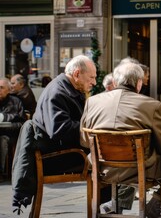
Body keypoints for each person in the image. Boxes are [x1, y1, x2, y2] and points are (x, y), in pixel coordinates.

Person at [80, 62, 161, 217]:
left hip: (103, 169)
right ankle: (157, 201)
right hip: (141, 169)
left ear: (115, 82)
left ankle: (114, 205)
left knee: (134, 160)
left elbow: (84, 141)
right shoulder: (152, 105)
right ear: (138, 83)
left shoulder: (92, 102)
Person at [12, 55, 97, 211]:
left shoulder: (67, 88)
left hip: (60, 151)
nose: (94, 82)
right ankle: (104, 209)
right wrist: (89, 128)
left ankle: (104, 209)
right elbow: (60, 130)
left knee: (105, 157)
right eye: (91, 77)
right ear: (77, 74)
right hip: (56, 157)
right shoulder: (58, 92)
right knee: (104, 163)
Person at [0, 78, 26, 182]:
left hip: (10, 134)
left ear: (9, 90)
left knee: (2, 140)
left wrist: (6, 122)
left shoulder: (15, 102)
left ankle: (1, 172)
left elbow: (22, 123)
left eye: (1, 88)